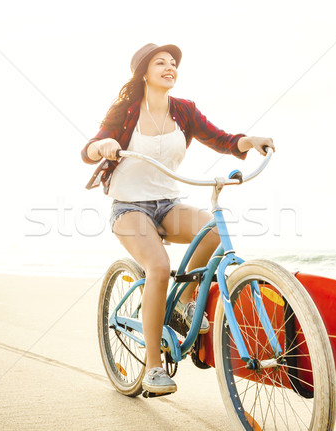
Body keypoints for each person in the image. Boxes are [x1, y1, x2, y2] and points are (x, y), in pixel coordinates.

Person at [81, 43, 274, 394]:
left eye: (174, 63)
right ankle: (154, 367)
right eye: (161, 62)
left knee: (212, 231)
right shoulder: (126, 111)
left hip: (167, 204)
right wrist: (104, 146)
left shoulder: (183, 110)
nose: (170, 67)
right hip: (129, 207)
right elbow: (89, 148)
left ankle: (182, 303)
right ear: (144, 71)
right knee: (157, 267)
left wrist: (249, 141)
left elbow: (221, 139)